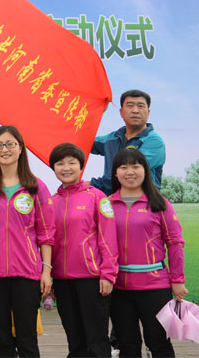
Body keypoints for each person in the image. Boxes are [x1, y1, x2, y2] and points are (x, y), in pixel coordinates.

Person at [0, 125, 54, 357]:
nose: (5, 149)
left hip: (27, 274)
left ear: (20, 149)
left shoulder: (36, 187)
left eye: (10, 144)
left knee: (27, 339)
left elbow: (46, 233)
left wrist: (46, 270)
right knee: (1, 342)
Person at [107, 147, 187, 358]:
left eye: (135, 166)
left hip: (154, 286)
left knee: (159, 343)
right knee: (127, 344)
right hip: (118, 288)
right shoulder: (106, 205)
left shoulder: (159, 204)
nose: (130, 172)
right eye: (123, 167)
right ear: (115, 173)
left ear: (145, 170)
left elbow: (175, 243)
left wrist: (177, 280)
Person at [49, 143, 118, 358]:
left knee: (96, 339)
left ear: (81, 166)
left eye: (72, 163)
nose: (66, 168)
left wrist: (108, 274)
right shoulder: (51, 201)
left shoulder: (97, 197)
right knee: (75, 339)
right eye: (60, 163)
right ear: (54, 168)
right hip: (62, 280)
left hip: (91, 279)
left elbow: (108, 238)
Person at [91, 89, 165, 194]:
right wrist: (95, 110)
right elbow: (82, 141)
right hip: (111, 200)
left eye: (140, 106)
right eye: (130, 106)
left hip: (143, 201)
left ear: (148, 113)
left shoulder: (154, 142)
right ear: (121, 112)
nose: (135, 110)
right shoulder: (112, 138)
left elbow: (129, 175)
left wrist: (91, 184)